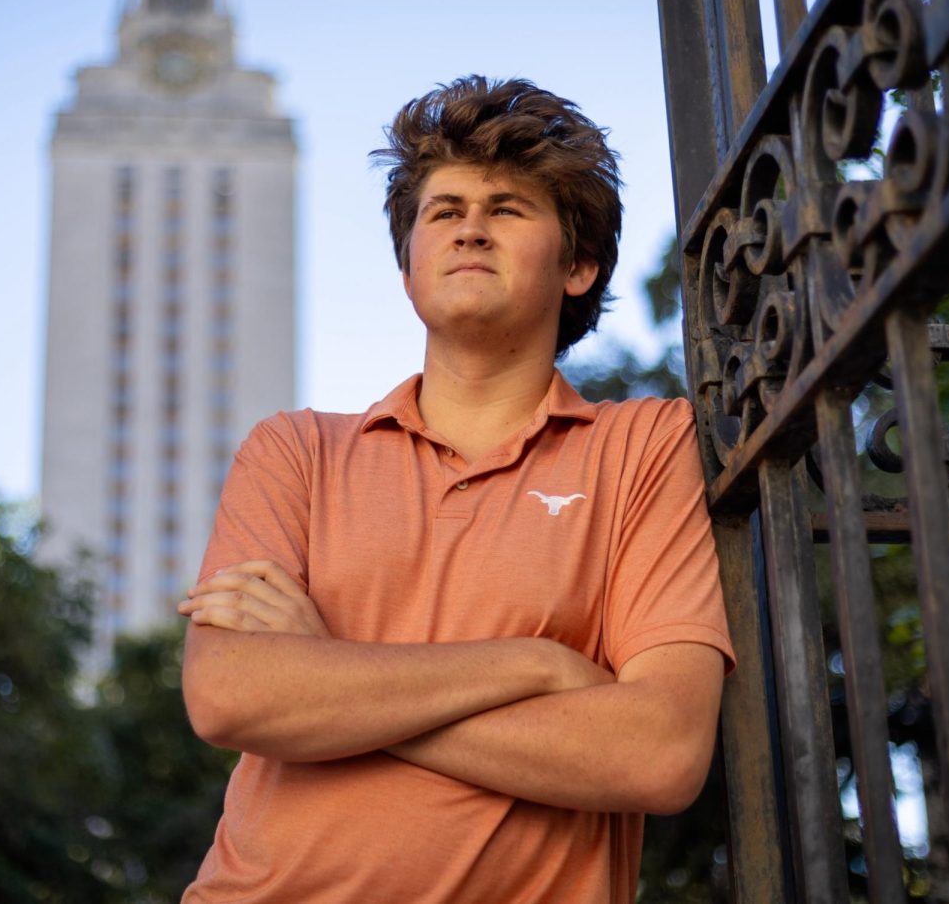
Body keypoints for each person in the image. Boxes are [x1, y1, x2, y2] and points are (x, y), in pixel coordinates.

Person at [176, 75, 735, 904]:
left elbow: (657, 754)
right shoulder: (295, 452)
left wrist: (328, 675)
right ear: (409, 270)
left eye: (508, 209)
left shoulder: (642, 446)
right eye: (444, 211)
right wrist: (542, 666)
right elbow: (229, 697)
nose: (470, 227)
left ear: (577, 265)